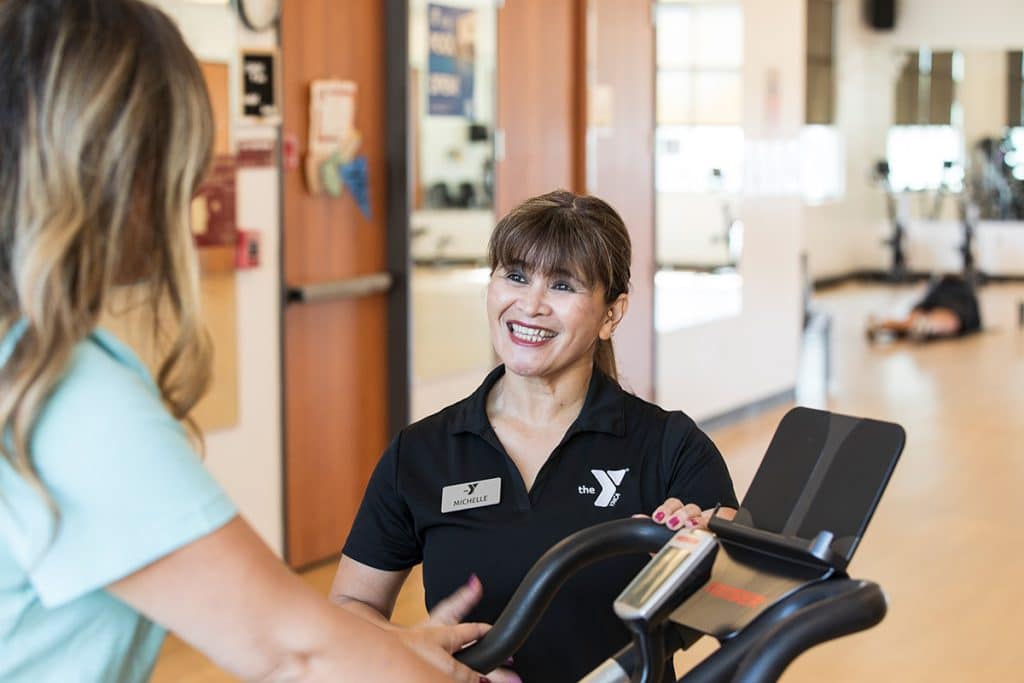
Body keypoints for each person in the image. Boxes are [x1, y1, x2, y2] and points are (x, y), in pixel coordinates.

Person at [0, 2, 488, 681]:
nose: (197, 182)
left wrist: (381, 646)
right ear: (119, 168)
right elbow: (292, 652)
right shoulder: (68, 394)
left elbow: (280, 623)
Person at [331, 190, 739, 682]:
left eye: (563, 286)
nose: (530, 305)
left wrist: (705, 558)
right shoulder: (423, 453)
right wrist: (414, 653)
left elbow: (734, 614)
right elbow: (351, 605)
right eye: (516, 276)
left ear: (611, 313)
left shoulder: (670, 447)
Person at [865, 274, 982, 342]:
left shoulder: (940, 290)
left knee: (912, 321)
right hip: (951, 308)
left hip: (949, 307)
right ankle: (926, 326)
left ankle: (881, 323)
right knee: (945, 320)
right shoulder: (941, 290)